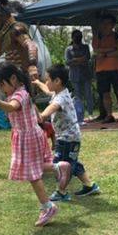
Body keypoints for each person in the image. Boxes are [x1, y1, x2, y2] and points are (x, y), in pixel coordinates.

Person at [0, 63, 69, 227]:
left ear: (13, 79)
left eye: (2, 85)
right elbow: (31, 110)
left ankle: (48, 207)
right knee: (35, 166)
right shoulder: (23, 91)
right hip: (30, 134)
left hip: (27, 137)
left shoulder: (19, 94)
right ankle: (58, 167)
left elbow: (12, 107)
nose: (2, 89)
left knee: (33, 175)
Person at [33, 64, 100, 201]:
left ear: (57, 81)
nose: (46, 82)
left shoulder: (60, 99)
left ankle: (61, 192)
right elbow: (47, 90)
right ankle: (89, 185)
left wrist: (35, 111)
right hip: (71, 137)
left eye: (47, 80)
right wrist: (38, 82)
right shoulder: (60, 92)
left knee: (61, 165)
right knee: (72, 162)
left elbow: (46, 113)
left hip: (67, 139)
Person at [93, 14, 118, 123]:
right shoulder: (97, 37)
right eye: (103, 23)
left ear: (113, 25)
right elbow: (96, 51)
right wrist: (111, 50)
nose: (105, 26)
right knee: (105, 93)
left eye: (108, 23)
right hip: (101, 70)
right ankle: (109, 115)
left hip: (116, 68)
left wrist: (103, 52)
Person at [65, 29, 93, 119]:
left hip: (86, 74)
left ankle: (90, 114)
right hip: (74, 75)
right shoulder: (68, 49)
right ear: (72, 38)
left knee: (88, 94)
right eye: (76, 36)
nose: (78, 38)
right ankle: (80, 114)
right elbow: (68, 62)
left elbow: (87, 58)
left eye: (80, 36)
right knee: (77, 96)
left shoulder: (85, 47)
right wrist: (80, 60)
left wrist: (75, 60)